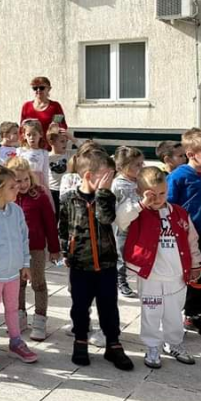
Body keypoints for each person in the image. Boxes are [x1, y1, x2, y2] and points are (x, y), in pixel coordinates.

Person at [116, 167, 201, 369]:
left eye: (162, 193)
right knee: (151, 311)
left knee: (174, 312)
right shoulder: (138, 212)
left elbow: (192, 240)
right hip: (150, 275)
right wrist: (141, 204)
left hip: (176, 274)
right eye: (151, 194)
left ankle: (173, 342)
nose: (157, 198)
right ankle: (152, 345)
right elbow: (121, 219)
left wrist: (196, 263)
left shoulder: (179, 213)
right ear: (140, 192)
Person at [59, 149, 133, 370]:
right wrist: (65, 252)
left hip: (107, 264)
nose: (110, 181)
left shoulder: (107, 197)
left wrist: (103, 193)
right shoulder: (68, 199)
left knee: (109, 306)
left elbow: (105, 218)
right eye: (106, 177)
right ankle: (80, 340)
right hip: (80, 265)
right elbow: (63, 228)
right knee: (80, 306)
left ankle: (113, 343)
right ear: (89, 176)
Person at [0, 165, 36, 367]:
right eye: (12, 186)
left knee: (13, 308)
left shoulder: (16, 211)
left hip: (13, 272)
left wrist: (25, 263)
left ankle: (16, 341)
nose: (17, 188)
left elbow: (23, 238)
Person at [167, 128, 201, 339]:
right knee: (183, 277)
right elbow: (169, 205)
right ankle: (172, 316)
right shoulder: (178, 176)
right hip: (184, 237)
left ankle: (194, 315)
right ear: (191, 154)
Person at [8, 157, 59, 342]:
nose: (22, 184)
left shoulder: (40, 196)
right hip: (14, 250)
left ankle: (40, 319)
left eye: (25, 179)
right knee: (17, 284)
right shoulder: (7, 198)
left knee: (38, 283)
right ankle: (19, 316)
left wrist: (54, 248)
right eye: (17, 181)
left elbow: (50, 224)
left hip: (35, 248)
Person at [112, 146, 145, 300]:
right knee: (121, 254)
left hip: (139, 224)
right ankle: (120, 282)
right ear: (122, 167)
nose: (141, 167)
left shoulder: (139, 181)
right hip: (123, 226)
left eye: (141, 163)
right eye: (137, 165)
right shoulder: (118, 184)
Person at [20, 76, 68, 150]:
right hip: (30, 149)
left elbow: (62, 126)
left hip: (49, 148)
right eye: (35, 88)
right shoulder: (26, 106)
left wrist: (56, 126)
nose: (38, 90)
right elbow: (22, 129)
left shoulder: (55, 106)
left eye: (42, 87)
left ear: (49, 89)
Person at [16, 119, 51, 200]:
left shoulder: (44, 153)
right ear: (24, 135)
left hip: (39, 182)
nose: (32, 138)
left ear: (40, 135)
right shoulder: (20, 151)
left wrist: (46, 187)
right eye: (29, 135)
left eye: (34, 134)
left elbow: (45, 171)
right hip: (24, 181)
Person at [47, 127, 69, 216]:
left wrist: (71, 137)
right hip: (52, 190)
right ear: (51, 142)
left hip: (66, 189)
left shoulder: (69, 153)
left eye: (66, 141)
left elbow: (85, 149)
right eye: (62, 141)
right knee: (54, 215)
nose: (65, 144)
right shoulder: (46, 156)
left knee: (65, 215)